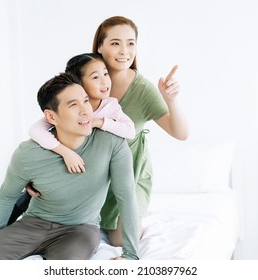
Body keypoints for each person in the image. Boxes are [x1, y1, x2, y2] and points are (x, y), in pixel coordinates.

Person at [0, 72, 139, 260]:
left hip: (80, 231)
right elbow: (7, 195)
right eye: (73, 105)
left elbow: (126, 196)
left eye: (86, 101)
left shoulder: (112, 143)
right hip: (32, 224)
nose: (85, 110)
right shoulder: (28, 153)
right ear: (51, 116)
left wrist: (131, 255)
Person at [92, 16, 189, 246]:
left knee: (121, 241)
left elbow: (181, 133)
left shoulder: (143, 89)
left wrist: (170, 100)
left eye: (131, 43)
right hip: (92, 177)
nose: (124, 50)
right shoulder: (85, 81)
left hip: (129, 177)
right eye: (115, 43)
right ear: (100, 46)